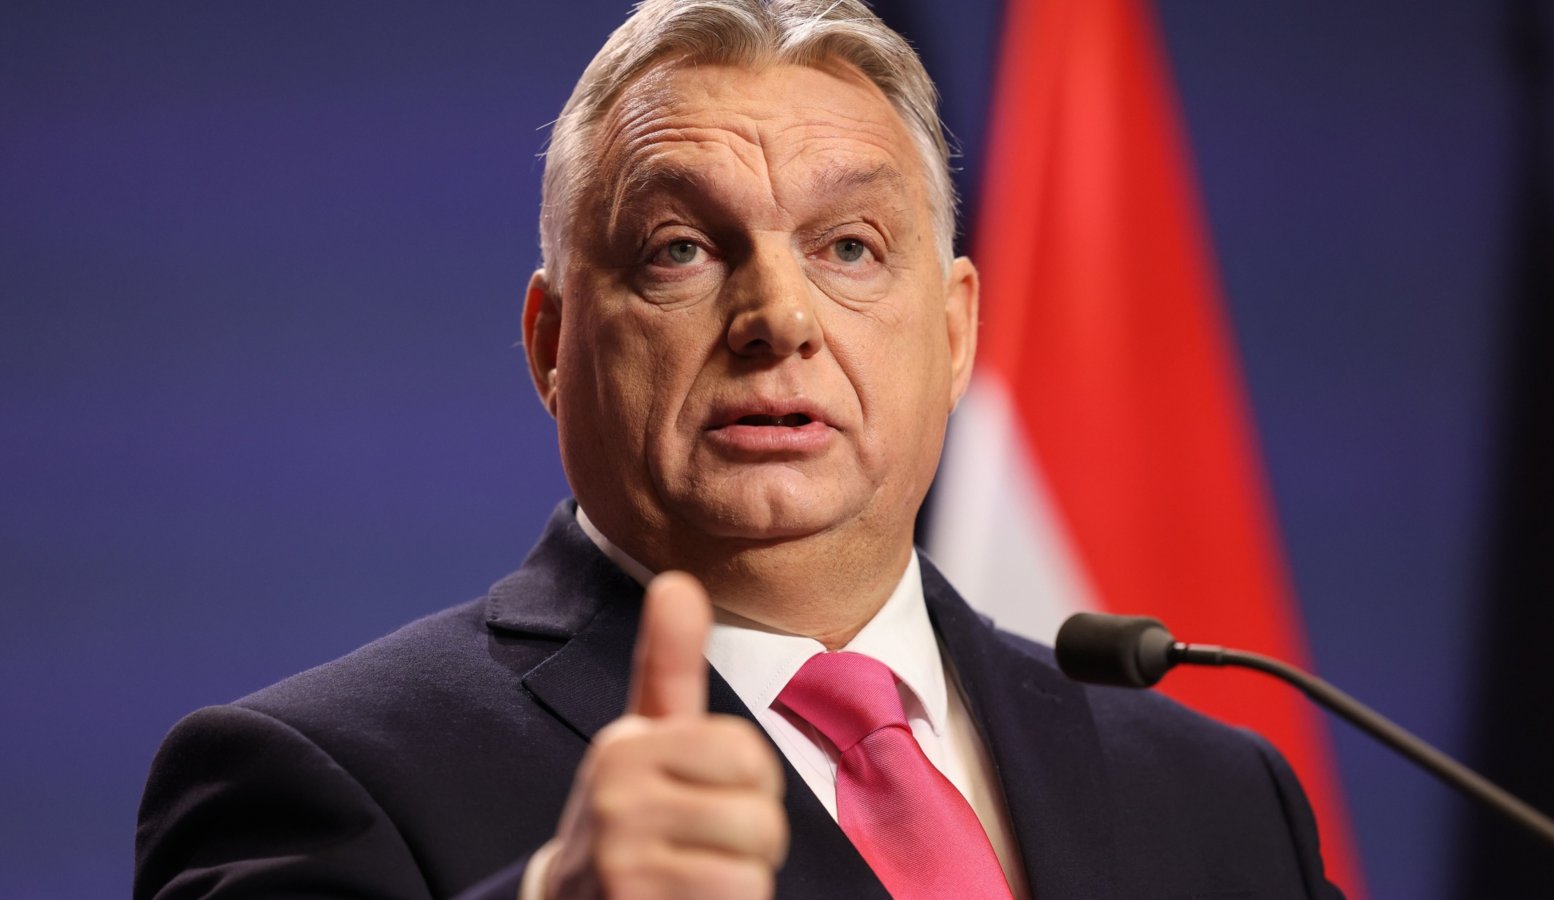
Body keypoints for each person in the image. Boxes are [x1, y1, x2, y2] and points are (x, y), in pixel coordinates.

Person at [135, 1, 1345, 898]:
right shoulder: (315, 775)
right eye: (679, 249)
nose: (780, 317)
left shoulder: (1220, 800)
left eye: (850, 246)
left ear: (955, 332)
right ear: (550, 345)